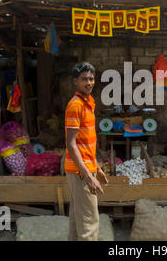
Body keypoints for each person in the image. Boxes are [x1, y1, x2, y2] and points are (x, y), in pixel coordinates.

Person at [65, 62, 108, 241]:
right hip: (79, 171)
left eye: (91, 79)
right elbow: (71, 144)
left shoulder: (88, 103)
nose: (89, 83)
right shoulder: (76, 105)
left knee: (78, 220)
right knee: (90, 223)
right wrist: (88, 176)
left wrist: (96, 169)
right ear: (75, 81)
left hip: (83, 168)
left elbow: (86, 145)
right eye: (84, 79)